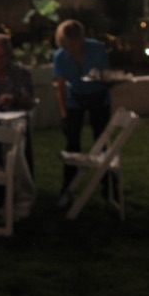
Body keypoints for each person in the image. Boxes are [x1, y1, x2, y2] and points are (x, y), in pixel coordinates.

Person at [52, 19, 111, 203]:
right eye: (67, 44)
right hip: (75, 99)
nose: (72, 47)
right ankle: (68, 188)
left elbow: (106, 75)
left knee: (101, 144)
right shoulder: (60, 56)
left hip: (98, 97)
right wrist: (64, 114)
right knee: (72, 145)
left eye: (74, 43)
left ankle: (109, 189)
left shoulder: (97, 49)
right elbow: (60, 87)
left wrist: (100, 80)